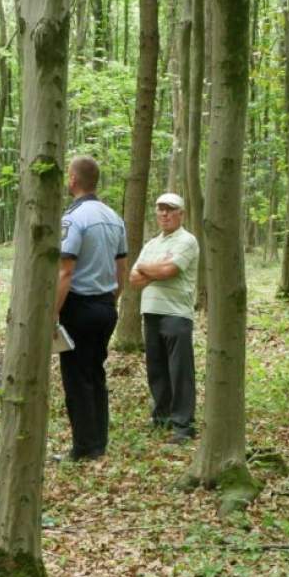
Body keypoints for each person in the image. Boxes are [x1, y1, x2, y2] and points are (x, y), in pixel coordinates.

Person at [55, 155, 127, 461]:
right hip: (105, 306)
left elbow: (65, 271)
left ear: (73, 180)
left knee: (77, 377)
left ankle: (84, 447)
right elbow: (121, 266)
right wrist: (113, 297)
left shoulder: (73, 219)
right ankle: (98, 441)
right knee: (95, 373)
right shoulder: (114, 217)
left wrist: (52, 312)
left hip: (79, 307)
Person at [129, 193, 199, 442]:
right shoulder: (151, 244)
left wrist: (151, 268)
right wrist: (156, 269)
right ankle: (162, 418)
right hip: (151, 312)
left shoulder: (187, 241)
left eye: (170, 210)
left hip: (176, 313)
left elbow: (170, 270)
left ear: (181, 213)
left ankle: (183, 425)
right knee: (156, 369)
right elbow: (133, 279)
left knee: (179, 370)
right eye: (161, 210)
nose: (165, 214)